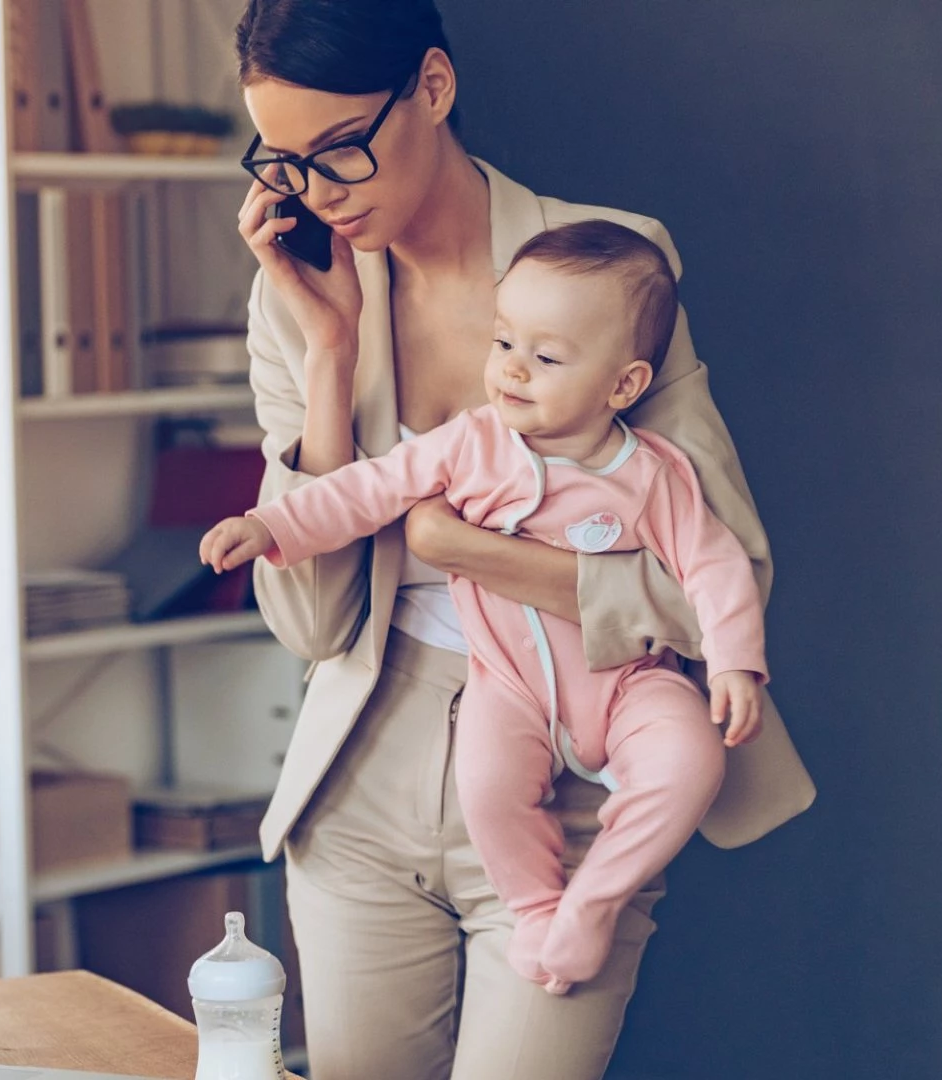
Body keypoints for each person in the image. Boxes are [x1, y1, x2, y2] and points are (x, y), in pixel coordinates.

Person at [230, 1, 817, 1076]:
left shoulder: (612, 267)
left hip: (577, 777)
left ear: (434, 89)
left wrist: (469, 552)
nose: (316, 193)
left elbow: (718, 575)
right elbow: (314, 625)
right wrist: (327, 354)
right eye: (283, 163)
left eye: (341, 151)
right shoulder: (297, 301)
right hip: (362, 782)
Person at [205, 219, 767, 996]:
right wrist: (270, 525)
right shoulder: (470, 442)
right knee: (487, 781)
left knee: (692, 760)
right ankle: (538, 907)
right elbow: (368, 490)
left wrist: (736, 663)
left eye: (547, 357)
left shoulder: (652, 473)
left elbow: (716, 564)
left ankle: (594, 899)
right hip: (506, 686)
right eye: (504, 343)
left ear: (624, 385)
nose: (511, 371)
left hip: (631, 681)